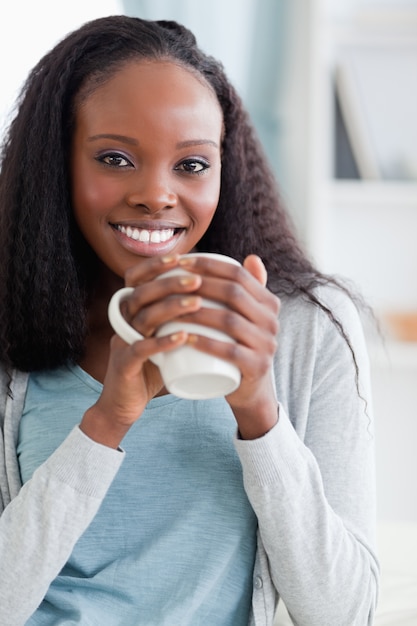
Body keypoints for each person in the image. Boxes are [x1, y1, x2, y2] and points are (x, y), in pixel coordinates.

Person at [0, 15, 379, 626]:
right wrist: (107, 421)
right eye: (116, 158)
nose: (156, 193)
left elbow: (342, 614)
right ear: (59, 163)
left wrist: (260, 412)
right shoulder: (11, 324)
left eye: (192, 165)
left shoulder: (311, 328)